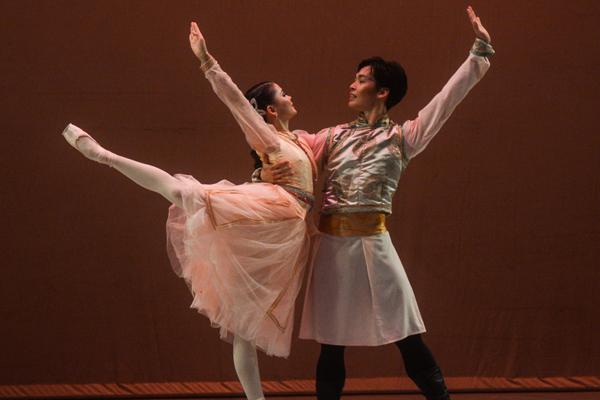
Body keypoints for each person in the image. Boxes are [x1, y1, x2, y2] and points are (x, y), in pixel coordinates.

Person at [61, 22, 319, 400]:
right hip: (274, 208)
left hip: (283, 226)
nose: (290, 96)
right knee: (185, 192)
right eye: (283, 94)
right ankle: (104, 155)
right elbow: (234, 102)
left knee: (244, 324)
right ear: (268, 109)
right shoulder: (266, 135)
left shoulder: (299, 140)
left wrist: (260, 172)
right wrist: (207, 62)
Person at [257, 6, 495, 400]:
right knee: (332, 345)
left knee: (409, 338)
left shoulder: (402, 138)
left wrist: (478, 53)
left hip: (375, 245)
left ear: (382, 92)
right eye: (355, 78)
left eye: (362, 80)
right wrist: (264, 166)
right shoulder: (329, 138)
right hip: (332, 247)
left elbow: (444, 103)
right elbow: (285, 151)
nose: (352, 85)